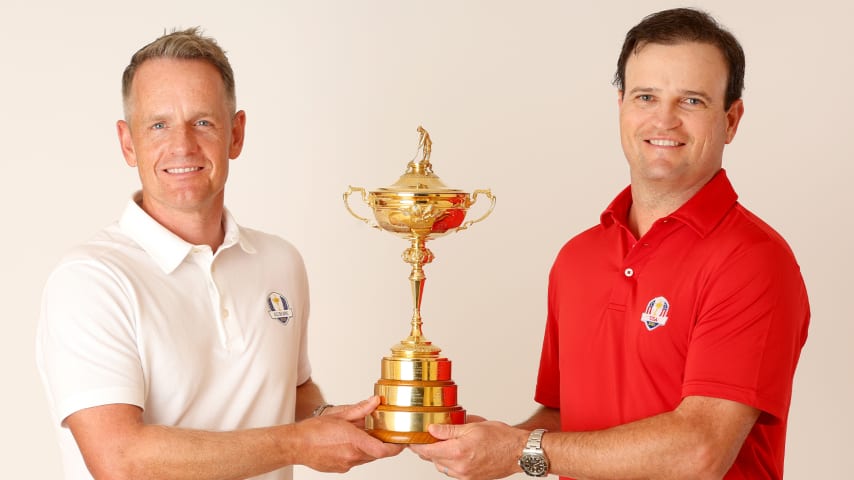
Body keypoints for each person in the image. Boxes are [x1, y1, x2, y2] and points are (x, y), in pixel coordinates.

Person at [410, 8, 810, 480]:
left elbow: (700, 451)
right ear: (621, 105)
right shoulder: (577, 259)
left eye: (692, 102)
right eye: (646, 96)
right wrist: (491, 441)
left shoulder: (753, 260)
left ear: (732, 119)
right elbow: (566, 422)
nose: (664, 120)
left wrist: (519, 450)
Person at [35, 27, 402, 480]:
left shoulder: (280, 262)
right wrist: (299, 444)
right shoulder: (90, 280)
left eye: (203, 122)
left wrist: (333, 418)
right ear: (128, 143)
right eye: (158, 124)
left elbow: (292, 391)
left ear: (236, 134)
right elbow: (121, 459)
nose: (183, 145)